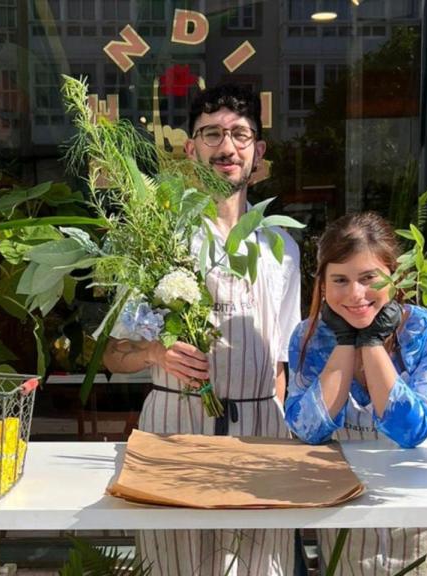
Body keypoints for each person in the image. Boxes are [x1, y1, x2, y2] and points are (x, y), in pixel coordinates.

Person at [102, 84, 301, 575]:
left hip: (259, 433)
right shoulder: (159, 238)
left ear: (258, 151)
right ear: (190, 148)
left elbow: (281, 364)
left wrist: (274, 439)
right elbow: (113, 355)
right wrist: (154, 354)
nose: (226, 147)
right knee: (173, 564)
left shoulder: (282, 246)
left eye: (239, 133)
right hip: (173, 427)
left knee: (260, 566)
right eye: (211, 134)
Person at [285, 212, 427, 576]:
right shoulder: (309, 337)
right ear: (322, 282)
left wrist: (370, 342)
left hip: (426, 518)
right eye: (340, 279)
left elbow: (412, 430)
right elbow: (308, 430)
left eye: (368, 278)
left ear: (394, 274)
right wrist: (344, 343)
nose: (355, 294)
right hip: (348, 523)